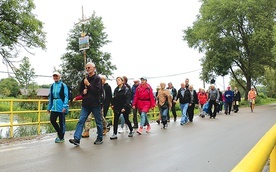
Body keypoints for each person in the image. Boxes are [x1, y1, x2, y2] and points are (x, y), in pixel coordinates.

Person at [69, 62, 104, 146]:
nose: (87, 69)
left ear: (94, 68)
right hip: (86, 104)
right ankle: (77, 139)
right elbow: (80, 90)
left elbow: (98, 92)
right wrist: (83, 92)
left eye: (89, 67)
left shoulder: (97, 79)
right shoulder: (85, 79)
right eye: (86, 68)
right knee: (81, 120)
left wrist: (89, 85)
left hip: (95, 104)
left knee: (98, 121)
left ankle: (100, 137)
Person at [47, 72, 69, 143]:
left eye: (57, 76)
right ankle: (60, 133)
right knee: (52, 120)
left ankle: (61, 137)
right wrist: (49, 107)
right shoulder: (52, 86)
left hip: (61, 106)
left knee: (61, 122)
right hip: (54, 106)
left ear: (59, 77)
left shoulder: (63, 85)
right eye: (54, 76)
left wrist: (65, 106)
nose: (55, 77)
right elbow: (51, 97)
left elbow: (66, 96)